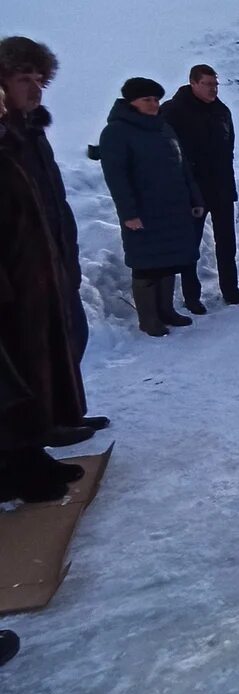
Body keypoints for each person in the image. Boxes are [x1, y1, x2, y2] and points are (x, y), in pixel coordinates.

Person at [0, 36, 108, 445]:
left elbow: (53, 200)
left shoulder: (33, 132)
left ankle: (66, 410)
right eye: (22, 78)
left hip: (52, 257)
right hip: (20, 267)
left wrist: (68, 254)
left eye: (39, 79)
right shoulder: (4, 137)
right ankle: (42, 425)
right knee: (31, 350)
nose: (33, 88)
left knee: (67, 335)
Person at [1, 89, 86, 501]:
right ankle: (15, 467)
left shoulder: (17, 141)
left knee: (23, 374)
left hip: (26, 271)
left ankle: (26, 457)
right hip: (11, 279)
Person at [98, 77, 205, 336]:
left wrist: (195, 198)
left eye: (156, 99)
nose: (153, 104)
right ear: (131, 101)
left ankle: (166, 310)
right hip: (144, 211)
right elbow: (117, 177)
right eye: (147, 99)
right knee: (146, 264)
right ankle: (148, 318)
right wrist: (129, 213)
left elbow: (182, 167)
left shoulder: (163, 128)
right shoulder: (116, 132)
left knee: (169, 260)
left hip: (173, 208)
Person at [160, 63, 239, 311]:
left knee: (227, 242)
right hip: (192, 190)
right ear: (193, 83)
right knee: (191, 245)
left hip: (221, 186)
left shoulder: (221, 111)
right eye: (208, 84)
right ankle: (192, 296)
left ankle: (231, 290)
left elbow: (228, 148)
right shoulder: (173, 111)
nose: (213, 89)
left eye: (216, 84)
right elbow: (167, 152)